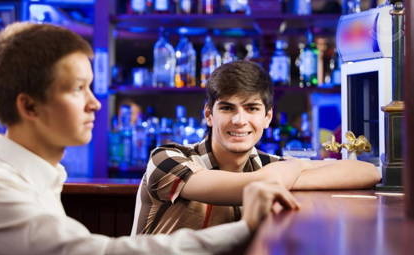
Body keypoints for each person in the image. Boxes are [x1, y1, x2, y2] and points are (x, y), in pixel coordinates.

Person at [0, 22, 300, 255]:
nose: (96, 103)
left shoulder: (42, 176)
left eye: (91, 87)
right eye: (78, 88)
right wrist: (246, 228)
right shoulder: (1, 187)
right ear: (29, 106)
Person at [131, 60, 381, 235]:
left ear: (267, 117)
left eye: (251, 108)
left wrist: (289, 170)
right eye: (227, 108)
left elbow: (368, 172)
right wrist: (298, 167)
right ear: (209, 115)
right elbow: (255, 185)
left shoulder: (269, 167)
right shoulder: (166, 159)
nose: (240, 120)